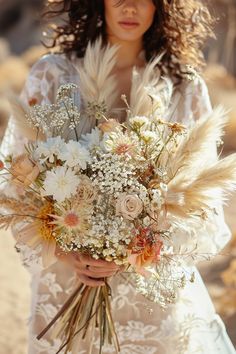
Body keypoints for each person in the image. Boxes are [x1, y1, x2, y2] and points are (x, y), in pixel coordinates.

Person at [1, 0, 236, 353]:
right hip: (65, 287)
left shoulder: (184, 87)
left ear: (161, 6)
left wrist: (134, 251)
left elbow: (204, 208)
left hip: (150, 301)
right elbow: (16, 179)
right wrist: (69, 254)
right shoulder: (52, 74)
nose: (130, 7)